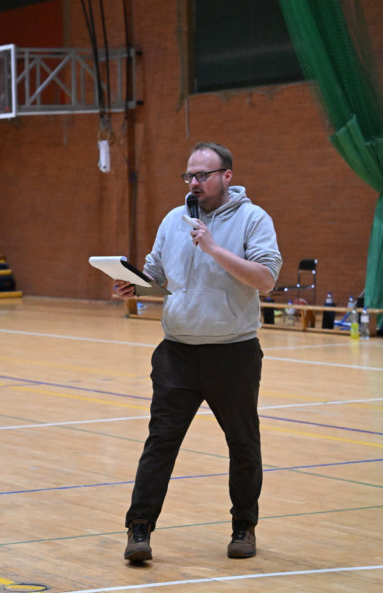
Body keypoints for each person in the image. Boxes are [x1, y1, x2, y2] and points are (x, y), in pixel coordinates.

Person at [114, 142, 282, 562]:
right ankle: (139, 529)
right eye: (189, 175)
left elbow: (265, 279)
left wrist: (213, 248)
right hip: (178, 354)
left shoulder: (253, 219)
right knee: (160, 443)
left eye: (203, 175)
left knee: (243, 444)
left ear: (227, 176)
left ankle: (244, 525)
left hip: (233, 353)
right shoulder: (174, 219)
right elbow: (158, 275)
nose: (194, 183)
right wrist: (135, 282)